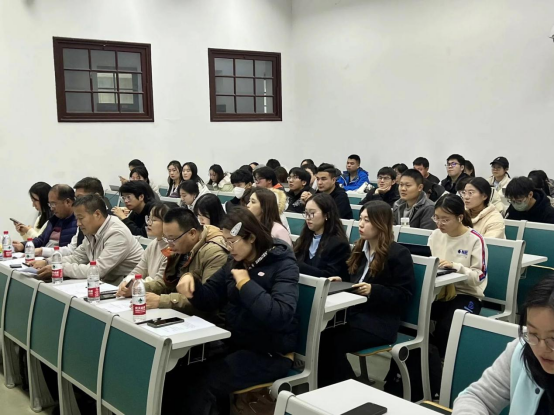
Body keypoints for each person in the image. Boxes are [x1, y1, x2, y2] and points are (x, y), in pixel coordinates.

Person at [167, 207, 299, 415]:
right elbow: (210, 299)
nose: (229, 249)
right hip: (236, 343)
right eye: (226, 242)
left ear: (251, 237)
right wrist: (193, 285)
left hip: (271, 353)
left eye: (232, 242)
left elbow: (280, 315)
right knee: (179, 371)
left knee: (203, 384)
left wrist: (246, 284)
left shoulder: (282, 263)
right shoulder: (234, 263)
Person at [318, 201, 415, 387]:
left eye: (367, 220)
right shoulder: (360, 248)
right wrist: (342, 282)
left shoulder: (398, 254)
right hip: (353, 316)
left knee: (328, 342)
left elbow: (403, 296)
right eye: (360, 219)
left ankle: (349, 390)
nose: (361, 224)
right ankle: (331, 387)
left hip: (379, 322)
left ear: (381, 223)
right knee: (318, 334)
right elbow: (355, 280)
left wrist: (373, 290)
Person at [452, 276, 554, 415]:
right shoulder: (520, 351)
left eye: (553, 339)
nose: (541, 348)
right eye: (533, 333)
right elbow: (477, 398)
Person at [117, 207, 228, 313]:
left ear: (192, 233)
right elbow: (169, 283)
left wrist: (161, 301)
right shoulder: (181, 247)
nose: (169, 244)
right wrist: (138, 288)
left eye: (172, 239)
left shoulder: (214, 252)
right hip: (182, 312)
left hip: (207, 320)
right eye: (166, 238)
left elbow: (206, 299)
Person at [34, 194, 143, 285]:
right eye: (77, 219)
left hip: (128, 288)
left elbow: (97, 270)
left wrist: (60, 268)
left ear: (97, 214)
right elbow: (77, 258)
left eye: (81, 218)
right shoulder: (93, 230)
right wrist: (48, 262)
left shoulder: (117, 233)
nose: (78, 223)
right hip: (106, 284)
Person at [428, 194, 488, 357]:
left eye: (445, 219)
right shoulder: (435, 235)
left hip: (467, 294)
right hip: (439, 293)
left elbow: (480, 277)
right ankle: (428, 357)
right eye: (436, 218)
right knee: (414, 317)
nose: (439, 223)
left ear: (460, 217)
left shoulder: (475, 239)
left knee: (448, 326)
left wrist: (456, 267)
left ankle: (442, 363)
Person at [37, 177, 105, 259]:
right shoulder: (83, 222)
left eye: (80, 198)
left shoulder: (113, 228)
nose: (76, 202)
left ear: (96, 197)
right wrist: (47, 260)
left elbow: (99, 265)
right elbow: (74, 252)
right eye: (76, 198)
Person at [294, 193, 350, 280]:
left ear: (327, 215)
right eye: (306, 213)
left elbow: (330, 276)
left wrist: (299, 266)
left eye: (312, 213)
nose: (308, 217)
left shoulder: (338, 244)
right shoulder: (303, 238)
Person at [13, 184, 77, 252]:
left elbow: (71, 251)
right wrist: (23, 245)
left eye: (53, 204)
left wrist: (42, 252)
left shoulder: (78, 222)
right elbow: (41, 240)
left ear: (68, 202)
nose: (51, 208)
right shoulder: (54, 219)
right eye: (50, 204)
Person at [119, 202, 169, 284]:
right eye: (149, 218)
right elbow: (139, 269)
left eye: (154, 220)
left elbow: (158, 283)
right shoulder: (153, 244)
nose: (148, 223)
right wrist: (125, 283)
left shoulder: (171, 249)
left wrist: (133, 285)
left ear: (167, 223)